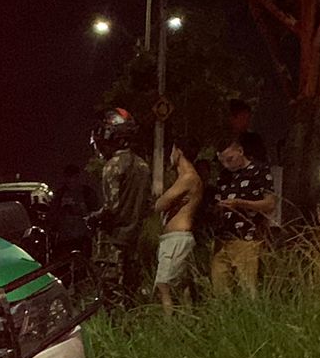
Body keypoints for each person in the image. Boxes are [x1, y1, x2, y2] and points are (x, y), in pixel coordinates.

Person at [91, 108, 152, 298]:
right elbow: (147, 204)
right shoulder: (142, 165)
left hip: (114, 241)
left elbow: (112, 207)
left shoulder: (113, 165)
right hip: (135, 238)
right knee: (131, 289)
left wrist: (94, 218)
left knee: (112, 292)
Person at [209, 133, 275, 296]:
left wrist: (240, 204)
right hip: (222, 239)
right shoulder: (224, 176)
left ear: (240, 151)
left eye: (230, 159)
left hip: (247, 238)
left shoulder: (259, 171)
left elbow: (270, 204)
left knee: (247, 288)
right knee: (220, 288)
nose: (226, 165)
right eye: (222, 161)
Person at [152, 139, 203, 314]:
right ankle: (186, 324)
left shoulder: (188, 177)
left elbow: (160, 204)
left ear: (178, 151)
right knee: (183, 287)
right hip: (176, 238)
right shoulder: (184, 178)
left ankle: (170, 327)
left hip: (177, 238)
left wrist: (165, 200)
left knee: (163, 284)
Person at [52, 163, 98, 260]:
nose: (70, 180)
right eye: (68, 177)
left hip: (83, 238)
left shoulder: (87, 193)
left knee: (83, 264)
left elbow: (95, 212)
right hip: (65, 239)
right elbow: (53, 213)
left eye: (73, 177)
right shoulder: (60, 194)